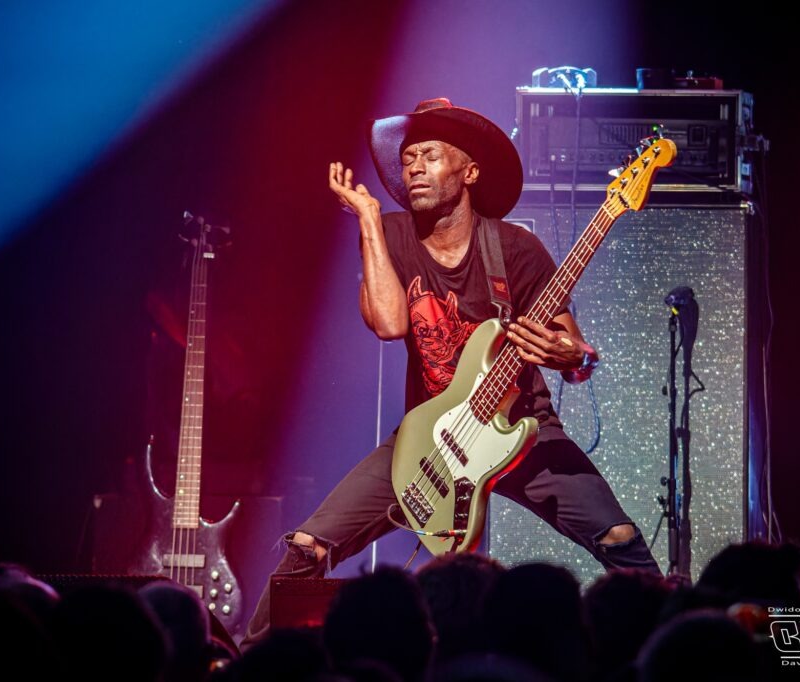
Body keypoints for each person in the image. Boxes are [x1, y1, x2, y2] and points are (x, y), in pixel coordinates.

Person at [242, 98, 660, 647]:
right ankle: (243, 665)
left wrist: (573, 357)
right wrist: (368, 222)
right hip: (427, 441)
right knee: (305, 547)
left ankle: (680, 648)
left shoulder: (515, 247)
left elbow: (570, 350)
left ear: (469, 171)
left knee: (620, 536)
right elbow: (390, 324)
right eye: (408, 157)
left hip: (523, 432)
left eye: (430, 155)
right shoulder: (389, 235)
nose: (412, 165)